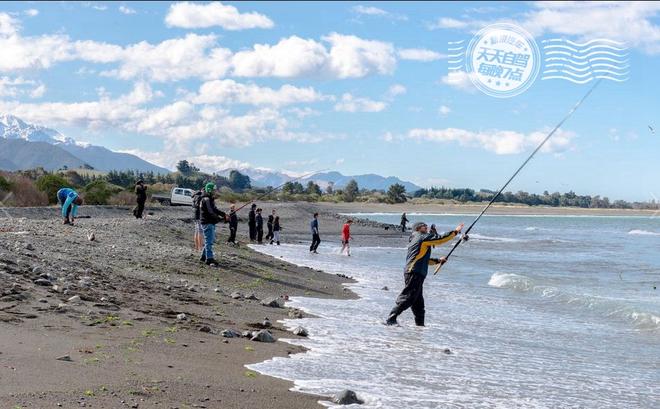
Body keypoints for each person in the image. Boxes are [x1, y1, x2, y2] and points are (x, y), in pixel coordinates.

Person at [385, 221, 465, 327]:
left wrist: (438, 261)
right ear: (417, 228)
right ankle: (390, 319)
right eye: (424, 226)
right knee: (408, 297)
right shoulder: (421, 237)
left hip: (416, 272)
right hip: (414, 272)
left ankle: (420, 327)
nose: (426, 227)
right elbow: (439, 239)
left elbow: (424, 260)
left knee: (418, 303)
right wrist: (455, 231)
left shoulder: (419, 240)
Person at [199, 183, 227, 267]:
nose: (216, 191)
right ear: (210, 190)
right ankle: (209, 259)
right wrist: (220, 219)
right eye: (214, 190)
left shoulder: (209, 199)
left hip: (209, 223)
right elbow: (211, 212)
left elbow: (214, 209)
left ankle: (204, 256)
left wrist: (224, 215)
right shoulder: (207, 199)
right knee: (209, 242)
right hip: (207, 223)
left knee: (209, 240)